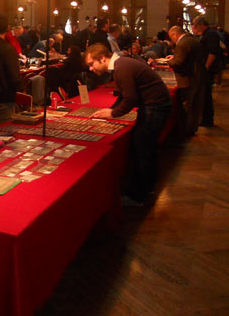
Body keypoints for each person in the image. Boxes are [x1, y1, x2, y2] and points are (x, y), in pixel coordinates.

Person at [86, 44, 171, 205]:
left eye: (92, 64)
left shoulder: (121, 67)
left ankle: (139, 196)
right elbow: (124, 96)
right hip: (155, 105)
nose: (91, 69)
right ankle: (146, 188)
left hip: (155, 107)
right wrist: (109, 111)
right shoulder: (121, 64)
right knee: (146, 148)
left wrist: (112, 113)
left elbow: (130, 99)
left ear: (103, 58)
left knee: (143, 149)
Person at [166, 25, 202, 137]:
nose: (172, 40)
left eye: (171, 37)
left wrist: (170, 62)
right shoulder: (191, 39)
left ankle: (185, 131)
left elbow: (178, 63)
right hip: (196, 76)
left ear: (175, 35)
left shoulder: (181, 44)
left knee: (187, 106)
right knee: (193, 105)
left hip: (186, 79)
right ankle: (191, 128)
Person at [192, 16, 222, 127]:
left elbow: (212, 52)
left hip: (208, 69)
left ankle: (207, 119)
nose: (194, 27)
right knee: (205, 94)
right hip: (206, 68)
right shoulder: (208, 34)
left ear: (201, 24)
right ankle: (206, 118)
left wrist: (206, 67)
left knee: (206, 94)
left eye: (195, 25)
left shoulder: (211, 34)